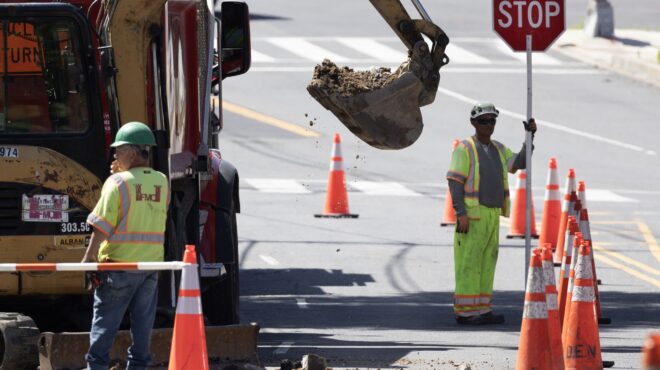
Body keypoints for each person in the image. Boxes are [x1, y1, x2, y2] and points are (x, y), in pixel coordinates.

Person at [82, 121, 169, 369]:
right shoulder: (162, 181)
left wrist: (89, 258)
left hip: (119, 266)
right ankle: (139, 365)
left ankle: (96, 367)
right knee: (143, 323)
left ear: (132, 153)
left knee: (105, 322)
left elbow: (102, 224)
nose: (115, 155)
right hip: (150, 265)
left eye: (118, 150)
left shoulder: (118, 183)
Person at [446, 102, 537, 325]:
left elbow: (519, 163)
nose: (489, 125)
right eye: (484, 121)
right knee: (469, 262)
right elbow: (454, 182)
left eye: (492, 121)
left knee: (488, 262)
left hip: (492, 216)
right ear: (474, 123)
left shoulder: (497, 149)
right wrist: (461, 213)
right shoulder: (464, 148)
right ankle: (466, 311)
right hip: (472, 217)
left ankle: (482, 308)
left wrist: (529, 137)